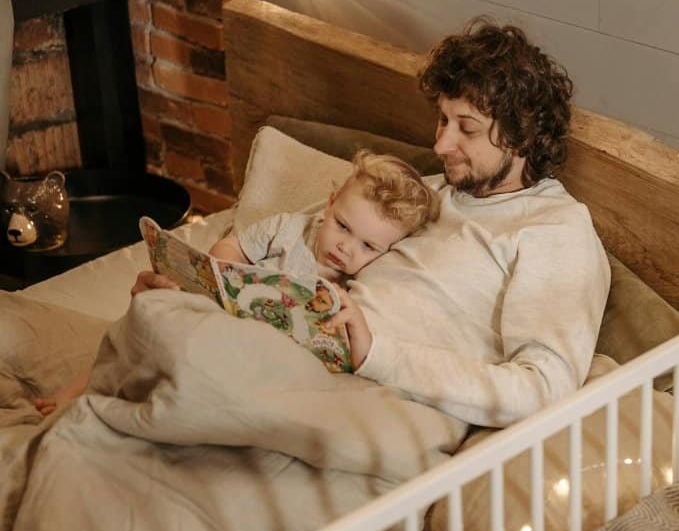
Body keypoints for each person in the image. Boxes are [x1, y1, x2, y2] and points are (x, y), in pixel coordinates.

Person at [134, 17, 610, 429]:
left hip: (390, 393)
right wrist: (199, 286)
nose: (441, 144)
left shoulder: (556, 230)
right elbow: (308, 233)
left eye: (466, 128)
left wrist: (375, 354)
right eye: (441, 120)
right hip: (311, 353)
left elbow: (542, 387)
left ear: (522, 134)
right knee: (153, 316)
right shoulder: (428, 191)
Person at [36, 150, 439, 415]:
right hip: (224, 313)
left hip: (265, 357)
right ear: (330, 203)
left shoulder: (362, 285)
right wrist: (223, 274)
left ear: (388, 251)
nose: (345, 248)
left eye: (367, 245)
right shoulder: (288, 229)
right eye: (342, 225)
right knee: (147, 311)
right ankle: (79, 391)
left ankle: (141, 401)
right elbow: (230, 249)